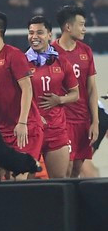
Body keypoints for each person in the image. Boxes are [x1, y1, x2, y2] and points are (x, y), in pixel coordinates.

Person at [0, 11, 43, 176]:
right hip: (1, 131)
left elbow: (27, 88)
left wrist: (22, 122)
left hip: (24, 127)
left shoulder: (14, 55)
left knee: (18, 180)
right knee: (2, 182)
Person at [26, 17, 79, 179]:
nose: (34, 36)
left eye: (40, 33)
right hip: (30, 131)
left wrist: (59, 100)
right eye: (31, 33)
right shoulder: (20, 62)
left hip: (56, 130)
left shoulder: (61, 61)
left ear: (50, 35)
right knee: (22, 187)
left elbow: (75, 94)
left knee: (59, 183)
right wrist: (34, 116)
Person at [52, 6, 99, 178]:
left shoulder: (86, 51)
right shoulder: (51, 52)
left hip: (82, 120)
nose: (84, 29)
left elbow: (92, 89)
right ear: (68, 27)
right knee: (65, 168)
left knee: (77, 169)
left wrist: (95, 121)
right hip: (62, 120)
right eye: (81, 24)